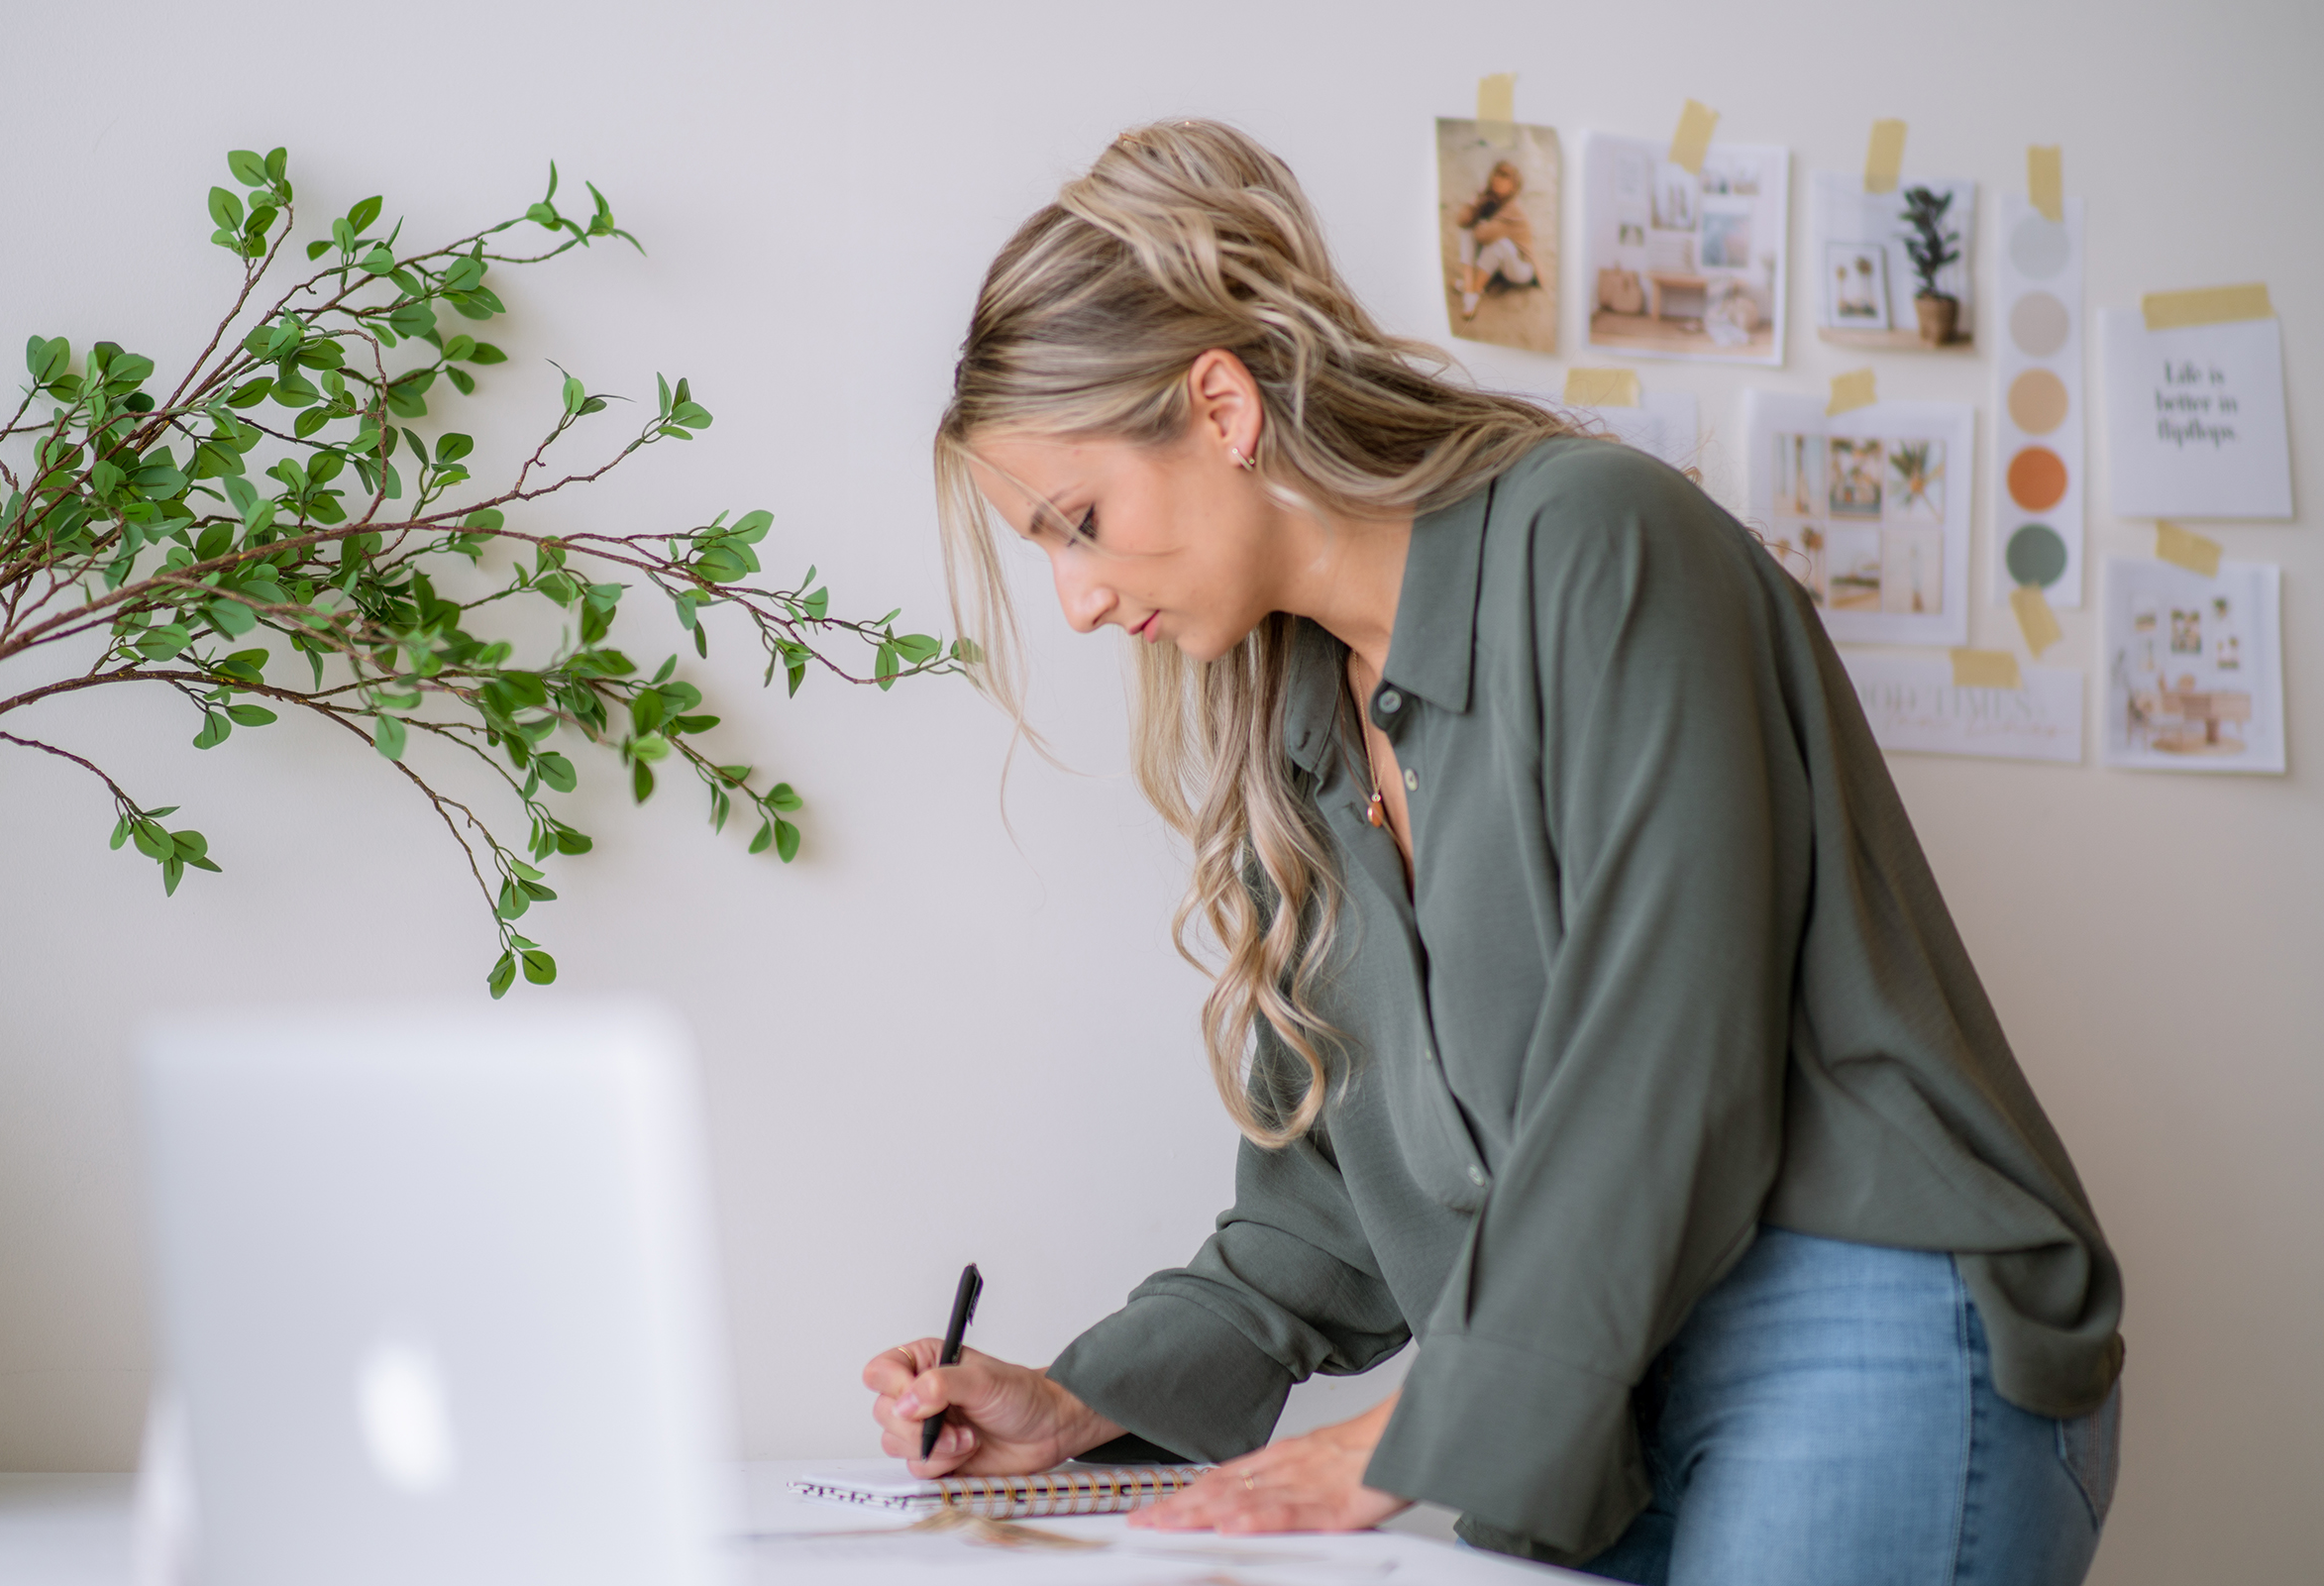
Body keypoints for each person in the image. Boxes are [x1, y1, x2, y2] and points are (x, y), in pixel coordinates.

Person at [862, 120, 2124, 1586]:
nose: (1077, 601)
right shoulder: (1296, 734)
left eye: (1079, 524)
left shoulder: (1599, 543)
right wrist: (1079, 1397)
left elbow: (1669, 1052)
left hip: (1855, 1298)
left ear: (1220, 406)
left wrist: (1423, 1426)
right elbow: (1329, 1211)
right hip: (1601, 1395)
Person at [1451, 158, 1537, 319]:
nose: (1498, 180)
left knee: (1498, 243)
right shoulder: (1490, 199)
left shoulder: (1512, 208)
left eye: (1505, 178)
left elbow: (1483, 236)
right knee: (1467, 231)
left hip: (1520, 270)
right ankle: (1469, 287)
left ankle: (1473, 294)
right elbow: (1462, 221)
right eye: (1497, 175)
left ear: (1513, 186)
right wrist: (1476, 199)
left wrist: (1479, 211)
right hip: (1501, 266)